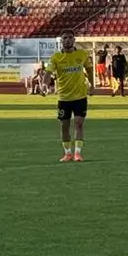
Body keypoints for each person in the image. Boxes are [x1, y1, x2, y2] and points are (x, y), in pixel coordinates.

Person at [47, 33, 93, 162]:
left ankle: (78, 153)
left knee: (79, 124)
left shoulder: (82, 54)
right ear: (61, 41)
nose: (67, 40)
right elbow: (48, 72)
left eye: (69, 38)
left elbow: (89, 70)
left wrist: (92, 85)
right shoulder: (56, 57)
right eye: (65, 38)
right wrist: (45, 85)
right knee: (64, 126)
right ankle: (67, 153)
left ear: (74, 39)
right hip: (64, 98)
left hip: (80, 96)